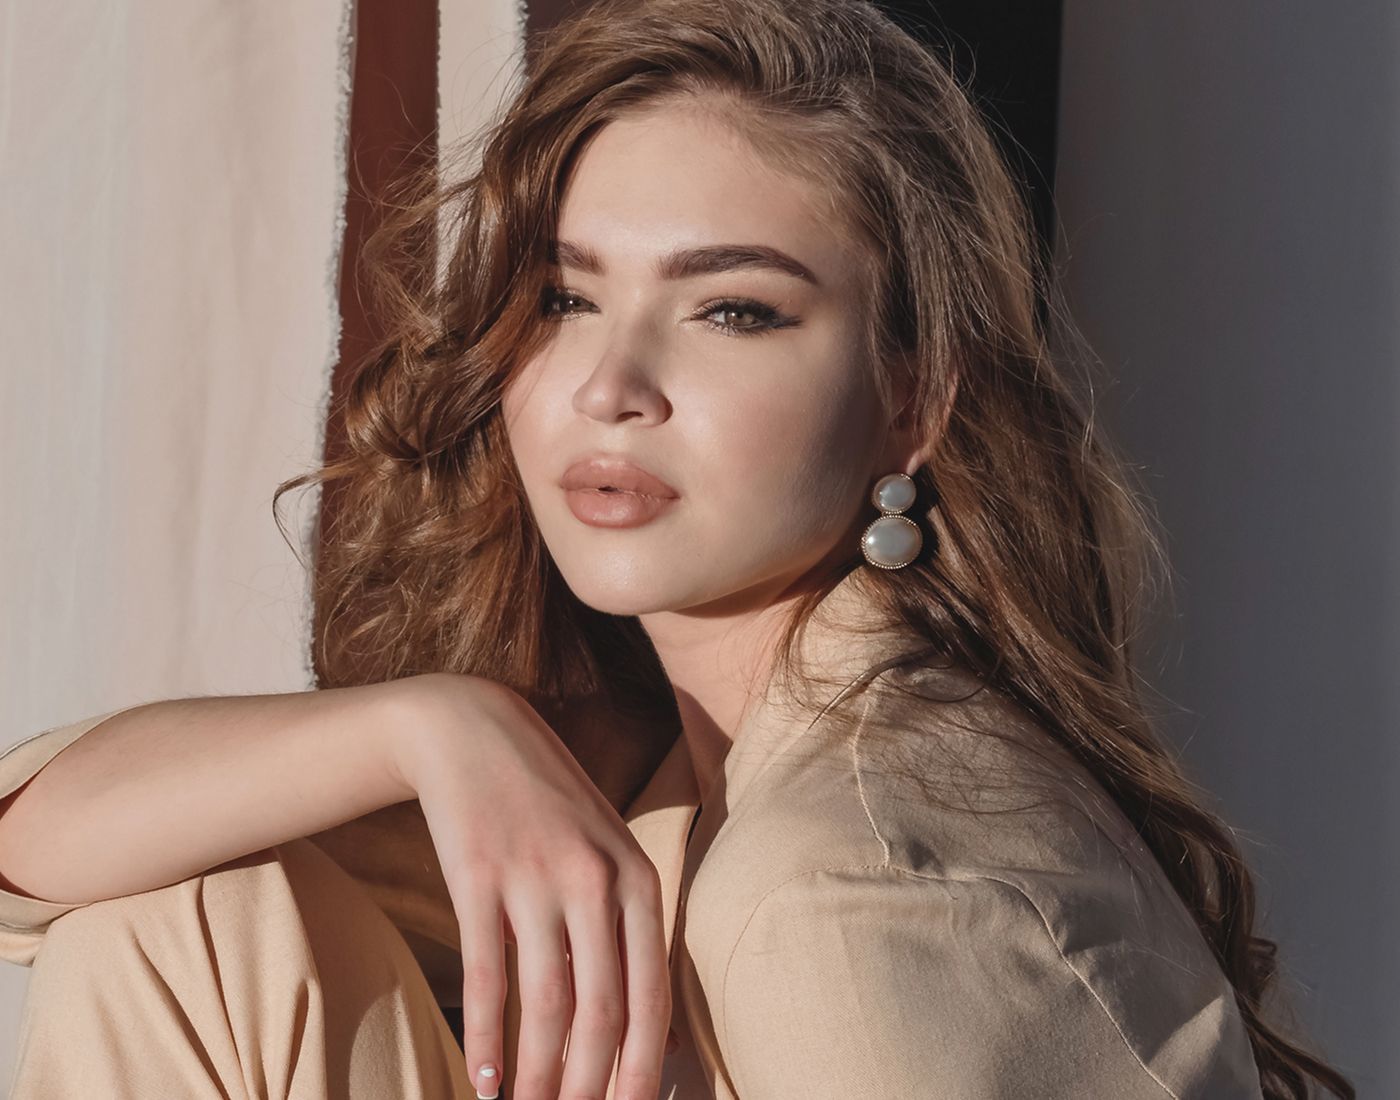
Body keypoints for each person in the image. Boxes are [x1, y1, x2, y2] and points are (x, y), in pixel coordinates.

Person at [0, 0, 1355, 1097]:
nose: (610, 384)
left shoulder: (846, 899)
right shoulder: (673, 754)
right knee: (176, 930)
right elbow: (32, 855)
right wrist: (432, 723)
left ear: (912, 398)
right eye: (568, 296)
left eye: (734, 312)